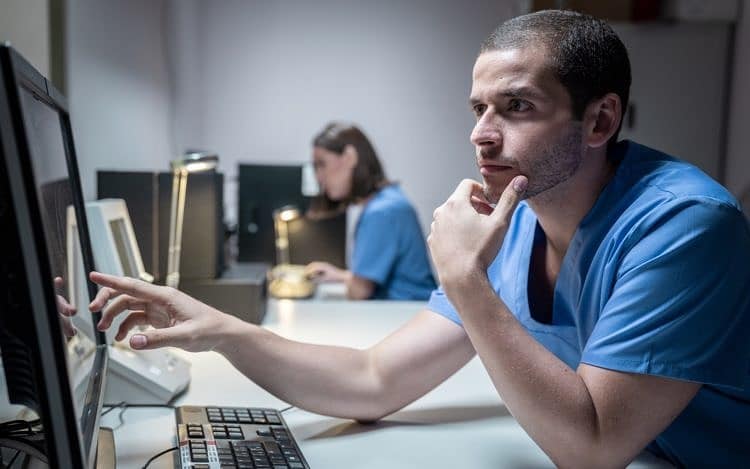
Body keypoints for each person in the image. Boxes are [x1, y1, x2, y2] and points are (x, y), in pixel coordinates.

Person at [88, 10, 750, 467]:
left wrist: (465, 278)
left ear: (600, 118)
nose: (481, 134)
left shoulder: (684, 224)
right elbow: (374, 379)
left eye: (516, 106)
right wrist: (221, 331)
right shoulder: (518, 221)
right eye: (478, 108)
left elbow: (592, 445)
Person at [303, 122, 436, 300]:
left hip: (404, 314)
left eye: (321, 164)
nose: (319, 176)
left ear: (349, 157)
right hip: (409, 311)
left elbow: (358, 292)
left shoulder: (381, 212)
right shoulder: (390, 200)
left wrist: (350, 282)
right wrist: (341, 276)